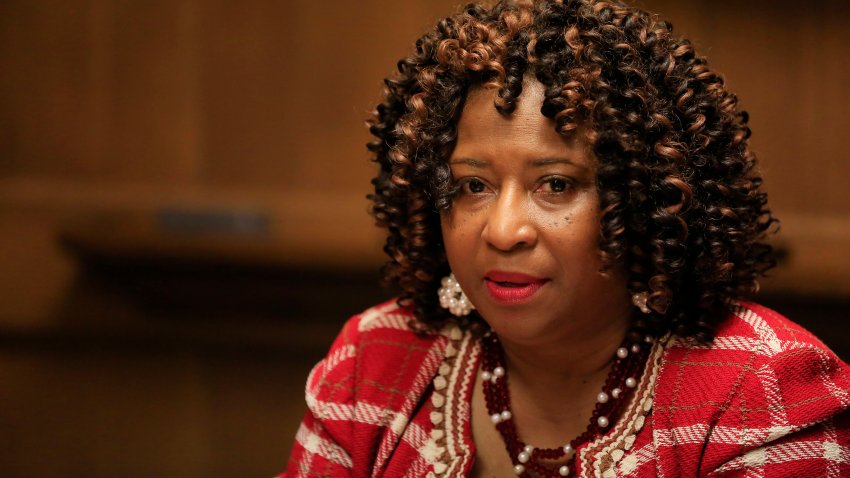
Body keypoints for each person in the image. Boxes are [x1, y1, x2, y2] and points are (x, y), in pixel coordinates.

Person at [283, 1, 850, 476]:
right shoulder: (374, 360)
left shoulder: (762, 392)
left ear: (648, 200)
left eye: (555, 185)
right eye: (472, 185)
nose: (503, 230)